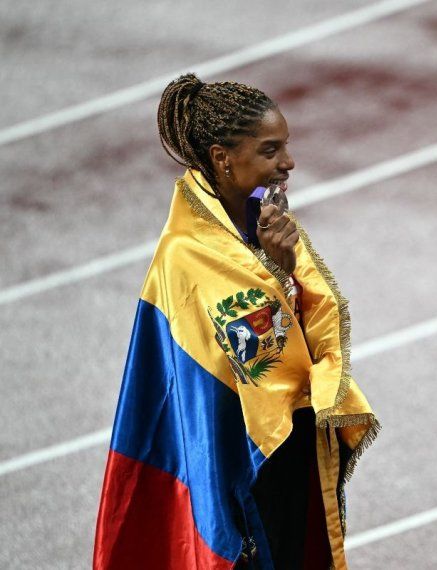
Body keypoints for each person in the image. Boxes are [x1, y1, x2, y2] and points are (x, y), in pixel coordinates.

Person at [93, 74, 380, 569]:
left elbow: (312, 337)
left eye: (285, 147)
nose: (287, 163)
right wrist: (278, 274)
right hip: (237, 461)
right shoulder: (186, 255)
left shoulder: (263, 225)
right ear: (223, 158)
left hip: (289, 444)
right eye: (270, 151)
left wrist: (283, 271)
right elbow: (255, 359)